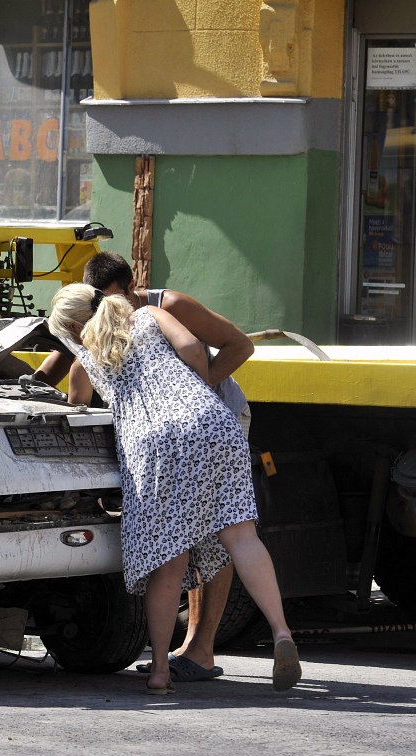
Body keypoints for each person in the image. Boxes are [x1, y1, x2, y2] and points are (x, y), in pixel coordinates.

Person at [47, 284, 300, 694]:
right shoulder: (149, 315)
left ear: (77, 326)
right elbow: (193, 349)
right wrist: (191, 395)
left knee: (169, 561)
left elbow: (80, 420)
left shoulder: (84, 362)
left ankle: (160, 671)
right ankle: (282, 632)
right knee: (240, 534)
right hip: (215, 422)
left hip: (155, 445)